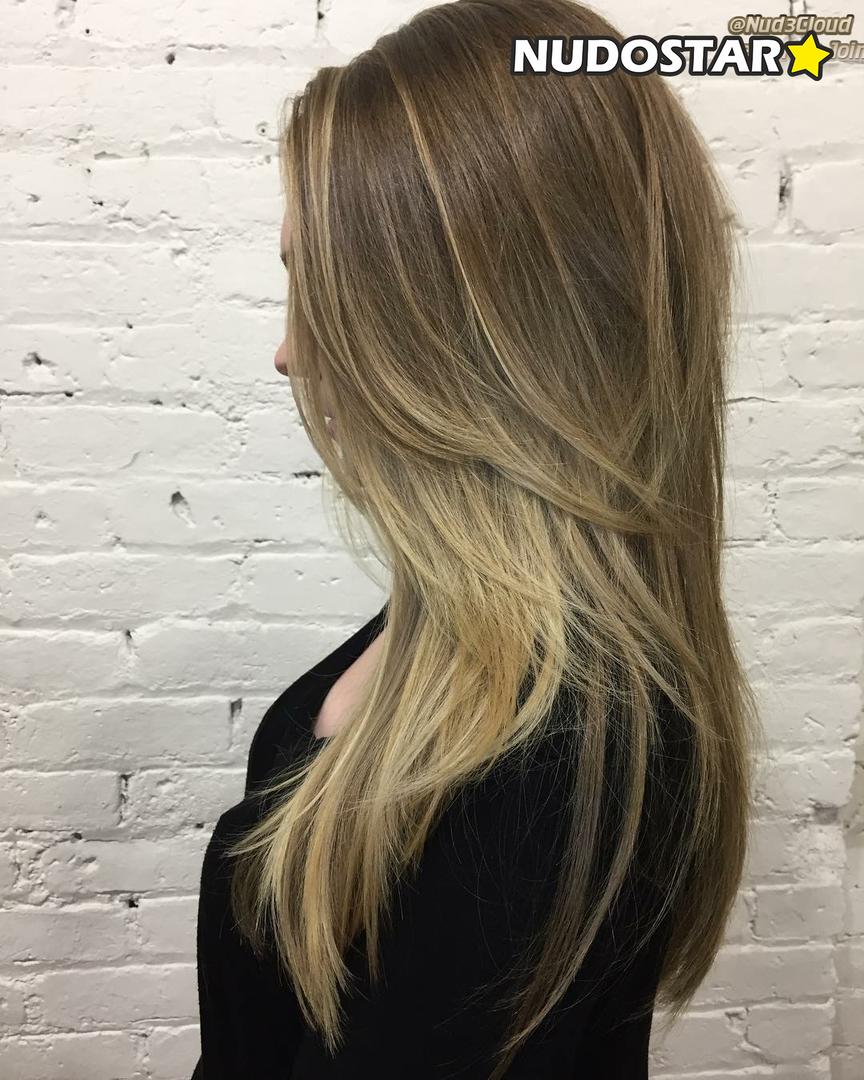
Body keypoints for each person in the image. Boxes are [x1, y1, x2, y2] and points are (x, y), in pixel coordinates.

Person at [192, 1, 761, 1077]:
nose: (288, 351)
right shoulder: (472, 634)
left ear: (445, 323)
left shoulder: (549, 748)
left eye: (316, 287)